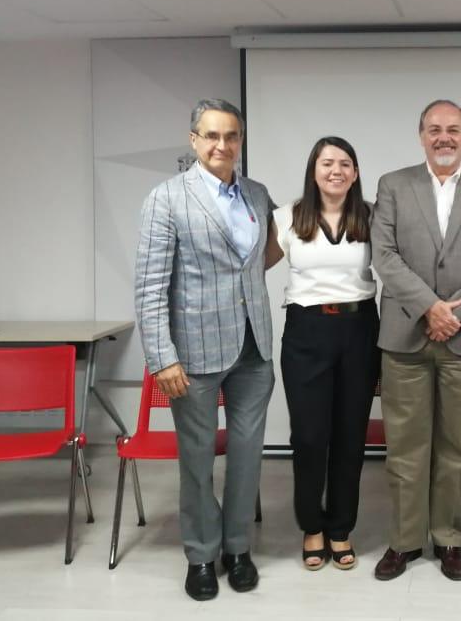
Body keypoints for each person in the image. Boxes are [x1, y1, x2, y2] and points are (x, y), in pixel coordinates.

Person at [134, 98, 279, 601]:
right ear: (194, 140)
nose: (223, 145)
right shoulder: (167, 198)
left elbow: (263, 255)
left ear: (240, 140)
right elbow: (150, 287)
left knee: (246, 456)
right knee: (196, 459)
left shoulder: (258, 195)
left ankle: (237, 548)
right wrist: (162, 358)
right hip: (191, 355)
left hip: (254, 348)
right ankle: (200, 554)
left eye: (232, 136)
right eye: (212, 135)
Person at [370, 99, 461, 582]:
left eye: (453, 129)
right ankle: (406, 541)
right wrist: (429, 307)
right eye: (435, 129)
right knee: (405, 446)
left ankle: (449, 538)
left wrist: (458, 311)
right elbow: (385, 255)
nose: (444, 137)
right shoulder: (393, 184)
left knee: (456, 446)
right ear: (421, 135)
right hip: (405, 333)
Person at [269, 136, 380, 571]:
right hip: (307, 332)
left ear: (355, 172)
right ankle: (311, 526)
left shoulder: (372, 217)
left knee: (351, 436)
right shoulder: (286, 218)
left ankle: (340, 529)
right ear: (313, 170)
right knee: (310, 436)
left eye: (346, 163)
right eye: (327, 162)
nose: (336, 170)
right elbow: (253, 266)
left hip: (359, 330)